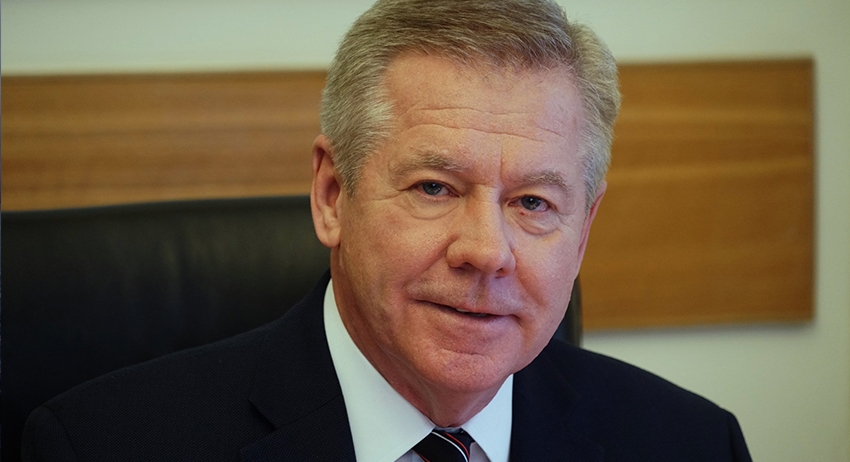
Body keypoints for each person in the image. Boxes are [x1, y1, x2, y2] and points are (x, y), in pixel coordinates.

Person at [22, 0, 752, 460]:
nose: (486, 252)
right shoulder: (100, 444)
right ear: (332, 196)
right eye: (435, 187)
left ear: (584, 230)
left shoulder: (690, 443)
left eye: (533, 203)